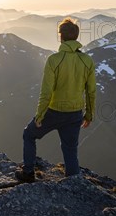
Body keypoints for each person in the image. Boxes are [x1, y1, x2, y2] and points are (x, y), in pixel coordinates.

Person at [15, 17, 96, 182]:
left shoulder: (54, 60)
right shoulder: (87, 61)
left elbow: (46, 92)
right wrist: (89, 115)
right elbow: (91, 91)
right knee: (70, 149)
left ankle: (28, 173)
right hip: (75, 114)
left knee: (29, 135)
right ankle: (74, 183)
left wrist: (39, 115)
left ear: (61, 37)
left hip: (53, 112)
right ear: (76, 36)